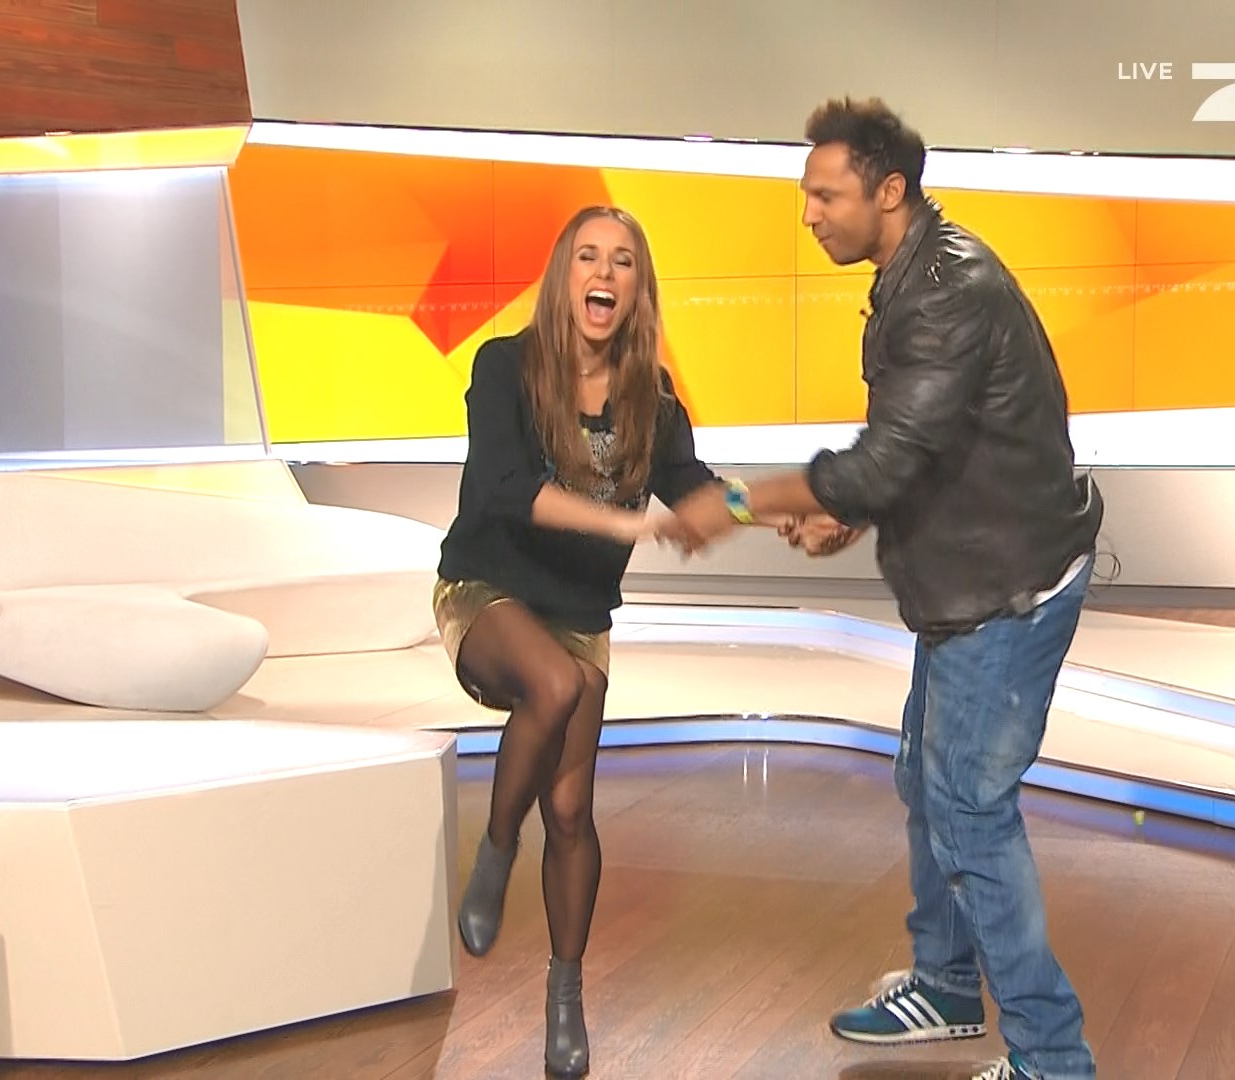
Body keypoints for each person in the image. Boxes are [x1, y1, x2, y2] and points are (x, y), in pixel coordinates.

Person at [674, 97, 1104, 1080]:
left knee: (970, 811)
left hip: (1008, 592)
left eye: (826, 196)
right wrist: (851, 512)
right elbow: (919, 449)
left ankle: (1053, 1059)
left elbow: (886, 460)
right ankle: (947, 985)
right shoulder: (913, 277)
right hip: (965, 586)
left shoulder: (949, 291)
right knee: (927, 782)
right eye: (807, 196)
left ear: (890, 190)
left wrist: (735, 503)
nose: (810, 214)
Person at [434, 205, 740, 1079]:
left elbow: (694, 488)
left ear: (636, 290)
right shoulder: (504, 367)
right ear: (564, 277)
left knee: (571, 811)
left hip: (578, 618)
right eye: (589, 257)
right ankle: (496, 848)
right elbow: (505, 489)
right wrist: (626, 524)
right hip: (486, 593)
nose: (605, 274)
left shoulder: (654, 399)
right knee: (558, 685)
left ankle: (564, 999)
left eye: (623, 262)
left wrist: (772, 508)